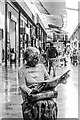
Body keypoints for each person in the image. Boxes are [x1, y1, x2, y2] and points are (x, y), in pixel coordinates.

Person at [18, 46, 69, 119]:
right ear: (29, 59)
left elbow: (48, 79)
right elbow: (22, 85)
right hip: (32, 94)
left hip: (43, 92)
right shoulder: (21, 69)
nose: (38, 60)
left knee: (51, 103)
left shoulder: (41, 67)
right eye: (35, 58)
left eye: (38, 57)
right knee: (39, 104)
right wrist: (30, 91)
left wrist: (58, 80)